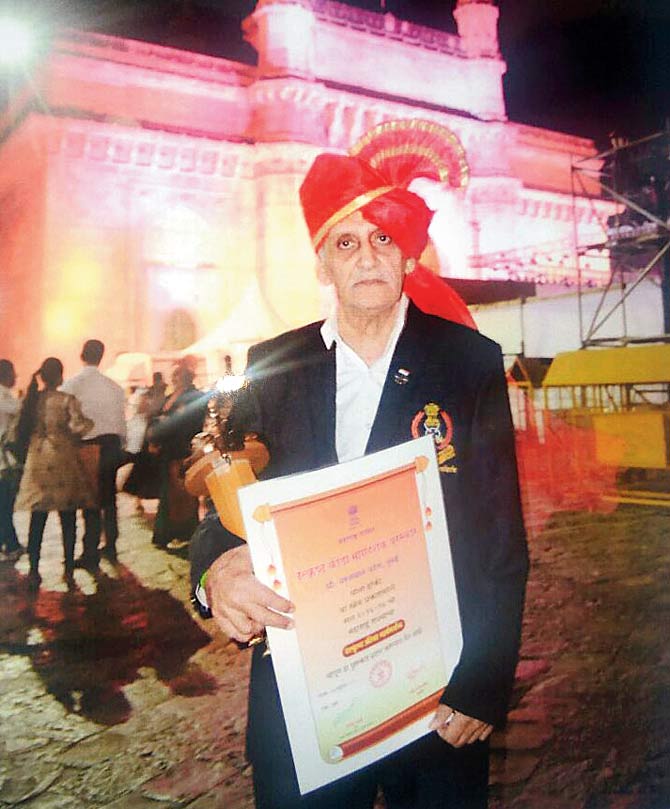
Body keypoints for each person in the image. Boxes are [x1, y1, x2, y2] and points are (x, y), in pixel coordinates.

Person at [189, 129, 529, 809]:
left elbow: (501, 539)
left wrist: (484, 681)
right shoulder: (270, 366)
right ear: (323, 264)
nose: (366, 256)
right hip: (305, 702)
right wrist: (218, 568)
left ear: (406, 253)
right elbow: (224, 498)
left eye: (382, 238)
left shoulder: (468, 362)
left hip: (436, 696)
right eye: (346, 242)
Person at [15, 358, 95, 587]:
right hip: (62, 458)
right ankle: (68, 566)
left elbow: (19, 430)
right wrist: (88, 424)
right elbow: (77, 426)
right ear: (60, 376)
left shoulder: (32, 400)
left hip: (38, 458)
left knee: (37, 516)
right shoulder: (66, 400)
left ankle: (34, 568)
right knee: (67, 515)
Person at [62, 339, 126, 567]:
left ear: (82, 355)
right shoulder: (114, 387)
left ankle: (90, 552)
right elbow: (121, 422)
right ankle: (111, 545)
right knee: (109, 499)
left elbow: (65, 419)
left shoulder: (72, 385)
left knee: (89, 500)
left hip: (87, 446)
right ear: (101, 356)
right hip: (112, 444)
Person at [148, 359, 207, 550]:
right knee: (169, 493)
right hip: (168, 449)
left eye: (178, 374)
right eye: (174, 374)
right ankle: (166, 533)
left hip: (182, 448)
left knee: (182, 494)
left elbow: (186, 423)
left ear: (187, 377)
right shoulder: (171, 396)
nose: (174, 378)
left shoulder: (194, 396)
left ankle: (184, 533)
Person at [0, 359, 23, 559]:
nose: (16, 377)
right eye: (13, 373)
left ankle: (8, 542)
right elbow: (19, 411)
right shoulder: (3, 397)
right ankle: (12, 544)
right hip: (3, 461)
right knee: (5, 505)